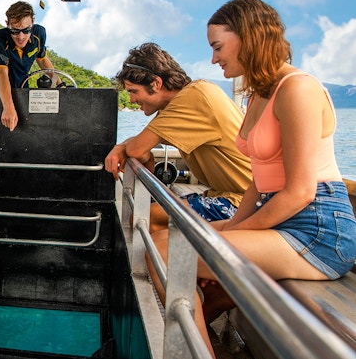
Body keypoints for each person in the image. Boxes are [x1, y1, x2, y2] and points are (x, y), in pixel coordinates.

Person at [194, 0, 356, 356]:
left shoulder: (297, 89)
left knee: (183, 252)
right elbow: (259, 179)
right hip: (277, 216)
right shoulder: (258, 96)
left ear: (248, 38)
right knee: (163, 243)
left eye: (218, 47)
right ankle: (196, 337)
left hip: (318, 228)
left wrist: (230, 237)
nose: (213, 58)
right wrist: (234, 225)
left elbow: (300, 191)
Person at [103, 42, 253, 328]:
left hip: (242, 200)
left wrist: (124, 146)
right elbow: (144, 152)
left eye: (134, 92)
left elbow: (138, 149)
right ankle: (208, 287)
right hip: (230, 195)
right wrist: (131, 147)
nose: (133, 100)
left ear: (156, 83)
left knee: (150, 219)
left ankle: (200, 304)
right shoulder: (183, 103)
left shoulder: (193, 99)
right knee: (152, 219)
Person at [0, 1, 64, 131]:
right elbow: (1, 74)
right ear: (7, 24)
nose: (21, 36)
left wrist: (59, 84)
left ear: (32, 22)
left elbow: (43, 60)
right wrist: (8, 107)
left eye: (26, 30)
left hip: (23, 89)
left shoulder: (39, 34)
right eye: (15, 31)